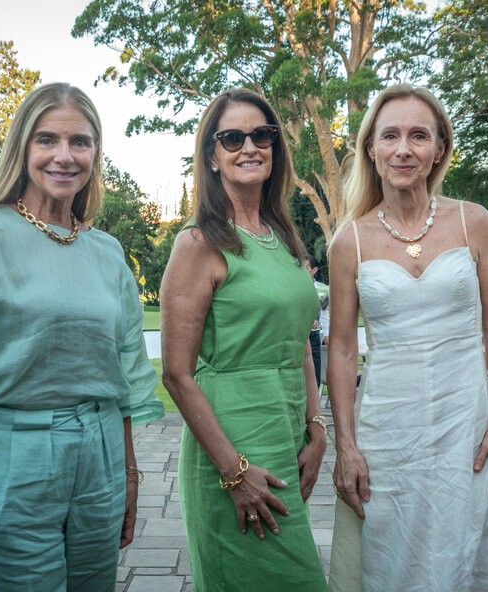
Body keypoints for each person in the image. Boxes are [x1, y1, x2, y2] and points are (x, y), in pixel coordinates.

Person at [0, 82, 165, 590]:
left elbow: (124, 375)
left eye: (80, 142)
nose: (64, 156)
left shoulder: (108, 251)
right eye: (47, 139)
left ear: (95, 153)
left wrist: (129, 475)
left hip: (102, 462)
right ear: (22, 149)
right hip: (13, 457)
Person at [326, 83, 488, 591]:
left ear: (439, 149)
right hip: (388, 429)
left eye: (419, 136)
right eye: (390, 136)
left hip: (466, 423)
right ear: (371, 149)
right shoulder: (349, 242)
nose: (403, 149)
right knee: (391, 551)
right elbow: (341, 350)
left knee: (464, 543)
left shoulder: (473, 221)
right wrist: (345, 445)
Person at [160, 89, 329, 591]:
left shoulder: (283, 237)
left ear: (276, 147)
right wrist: (234, 472)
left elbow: (301, 342)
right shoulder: (198, 242)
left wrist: (317, 426)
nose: (249, 146)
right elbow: (177, 374)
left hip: (287, 431)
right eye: (232, 138)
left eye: (262, 135)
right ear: (212, 156)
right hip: (233, 444)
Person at [305, 253, 331, 388]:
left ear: (314, 270)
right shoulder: (292, 288)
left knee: (315, 369)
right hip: (298, 334)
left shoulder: (323, 290)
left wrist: (326, 334)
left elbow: (325, 313)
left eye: (306, 268)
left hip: (314, 335)